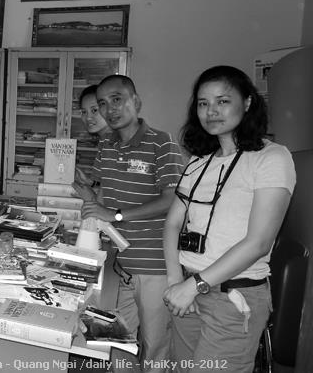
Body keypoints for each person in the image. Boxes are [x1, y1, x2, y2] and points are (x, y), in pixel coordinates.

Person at [163, 66, 295, 372]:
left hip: (233, 297)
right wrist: (175, 282)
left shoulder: (272, 157)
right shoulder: (198, 161)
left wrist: (193, 286)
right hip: (187, 291)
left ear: (247, 102)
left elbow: (259, 242)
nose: (211, 111)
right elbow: (172, 223)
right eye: (203, 103)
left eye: (222, 101)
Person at [78, 74, 184, 372]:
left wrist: (116, 215)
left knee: (154, 348)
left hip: (154, 267)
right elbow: (103, 199)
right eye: (102, 103)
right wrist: (88, 195)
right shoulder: (107, 145)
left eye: (117, 99)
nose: (109, 109)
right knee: (115, 342)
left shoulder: (161, 142)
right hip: (120, 266)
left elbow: (172, 199)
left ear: (135, 102)